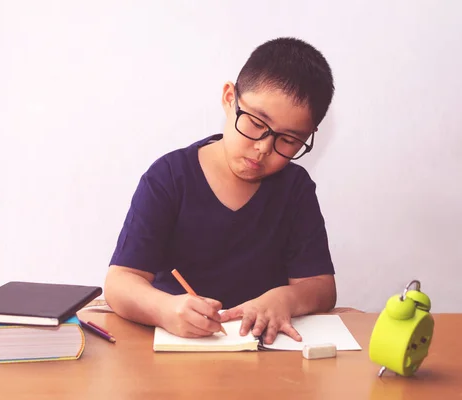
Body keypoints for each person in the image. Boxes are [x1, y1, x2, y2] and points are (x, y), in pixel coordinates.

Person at [104, 37, 336, 345]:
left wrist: (286, 299)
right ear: (230, 99)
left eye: (289, 141)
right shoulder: (170, 177)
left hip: (261, 356)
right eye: (255, 123)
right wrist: (165, 308)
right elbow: (119, 282)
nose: (263, 148)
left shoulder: (294, 190)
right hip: (176, 354)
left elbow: (321, 288)